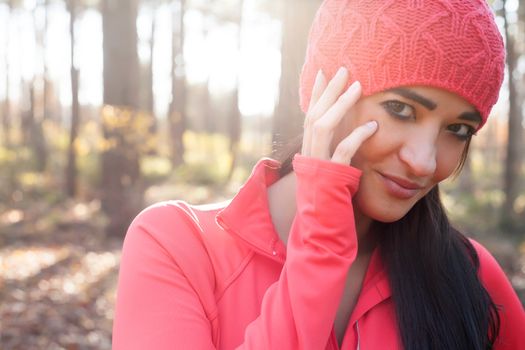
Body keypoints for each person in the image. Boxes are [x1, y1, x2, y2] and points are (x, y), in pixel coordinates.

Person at [112, 0, 525, 349]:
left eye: (457, 130)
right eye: (400, 109)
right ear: (323, 95)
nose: (424, 161)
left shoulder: (469, 274)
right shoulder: (176, 245)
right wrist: (321, 241)